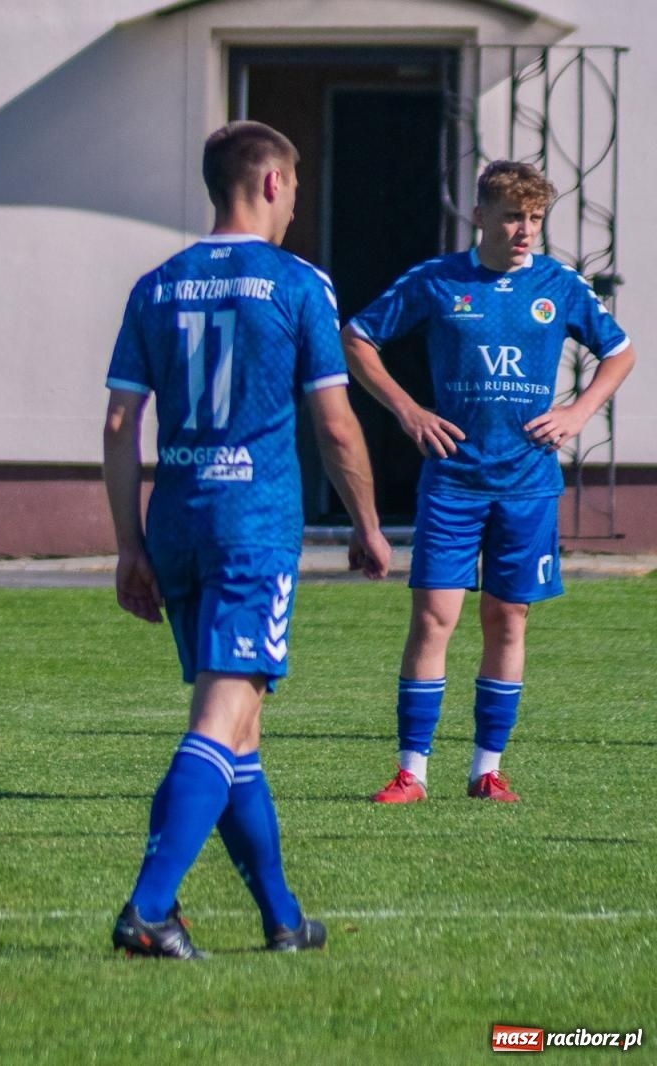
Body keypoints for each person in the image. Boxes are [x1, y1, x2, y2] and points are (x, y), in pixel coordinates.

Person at [102, 121, 391, 959]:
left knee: (240, 735)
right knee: (219, 720)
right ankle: (150, 909)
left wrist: (129, 543)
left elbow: (122, 422)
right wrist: (368, 525)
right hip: (252, 529)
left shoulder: (157, 285)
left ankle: (282, 917)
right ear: (271, 184)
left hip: (179, 522)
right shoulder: (299, 284)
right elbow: (336, 428)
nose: (295, 203)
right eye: (294, 188)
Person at [345, 161, 636, 805]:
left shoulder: (560, 286)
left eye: (535, 217)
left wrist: (578, 412)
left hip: (528, 484)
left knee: (508, 619)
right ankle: (412, 772)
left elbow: (619, 352)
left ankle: (486, 768)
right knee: (434, 618)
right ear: (479, 216)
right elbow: (359, 338)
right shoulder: (438, 280)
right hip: (453, 481)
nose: (525, 229)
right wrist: (407, 408)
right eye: (512, 215)